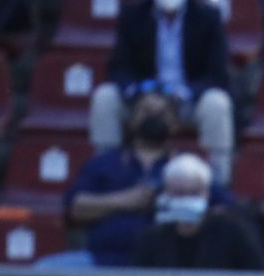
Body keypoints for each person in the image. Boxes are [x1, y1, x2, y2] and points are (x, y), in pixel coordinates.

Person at [46, 90, 232, 268]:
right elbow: (76, 208)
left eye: (162, 113)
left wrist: (178, 207)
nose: (153, 117)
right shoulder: (103, 163)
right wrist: (124, 201)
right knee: (43, 270)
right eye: (146, 111)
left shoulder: (191, 166)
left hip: (172, 263)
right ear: (131, 121)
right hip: (103, 261)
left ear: (176, 124)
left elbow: (225, 211)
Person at [91, 0, 234, 184]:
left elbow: (218, 75)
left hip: (187, 102)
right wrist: (141, 93)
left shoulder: (208, 17)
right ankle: (106, 175)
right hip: (144, 101)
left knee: (218, 103)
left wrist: (181, 95)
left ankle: (218, 181)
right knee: (105, 97)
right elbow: (118, 69)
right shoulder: (132, 15)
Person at [132, 153, 264, 270]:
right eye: (179, 193)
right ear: (166, 194)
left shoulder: (233, 231)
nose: (186, 200)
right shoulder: (151, 238)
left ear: (206, 194)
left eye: (194, 193)